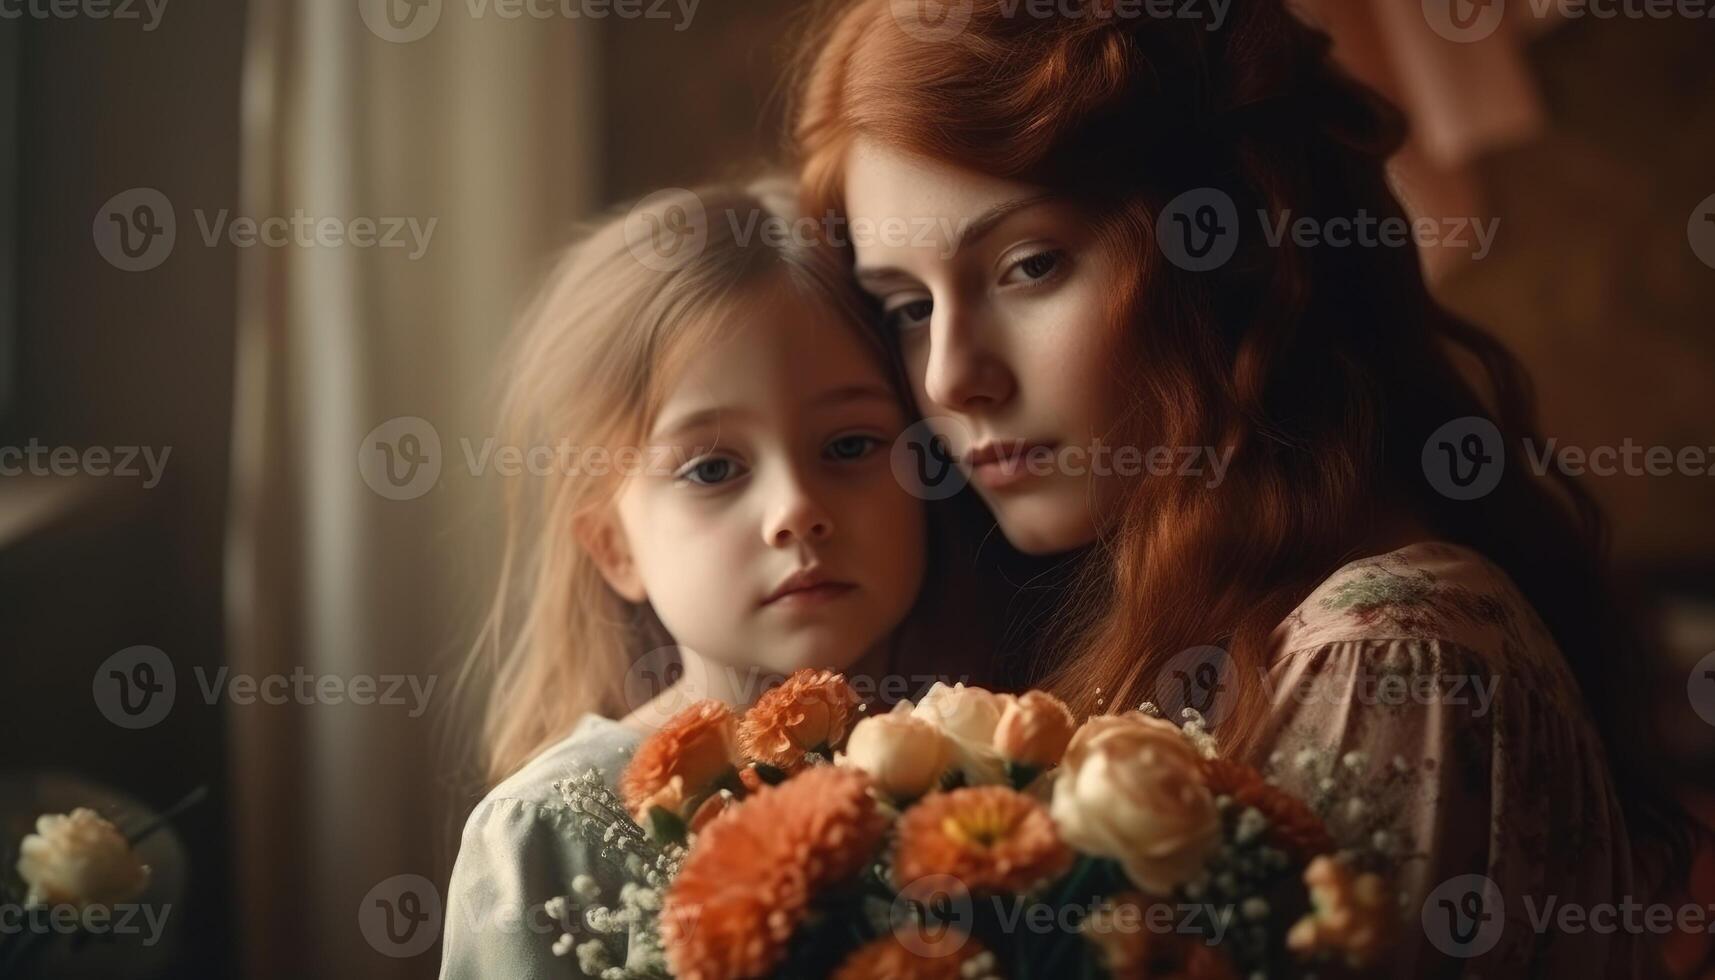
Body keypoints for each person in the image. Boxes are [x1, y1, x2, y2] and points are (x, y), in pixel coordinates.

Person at [788, 0, 1695, 974]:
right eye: (909, 306)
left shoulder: (1388, 655)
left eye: (1028, 265)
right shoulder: (1190, 615)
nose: (948, 377)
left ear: (1229, 252)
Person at [438, 177, 979, 978]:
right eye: (713, 467)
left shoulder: (993, 779)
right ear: (614, 546)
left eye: (849, 446)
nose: (795, 510)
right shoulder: (549, 832)